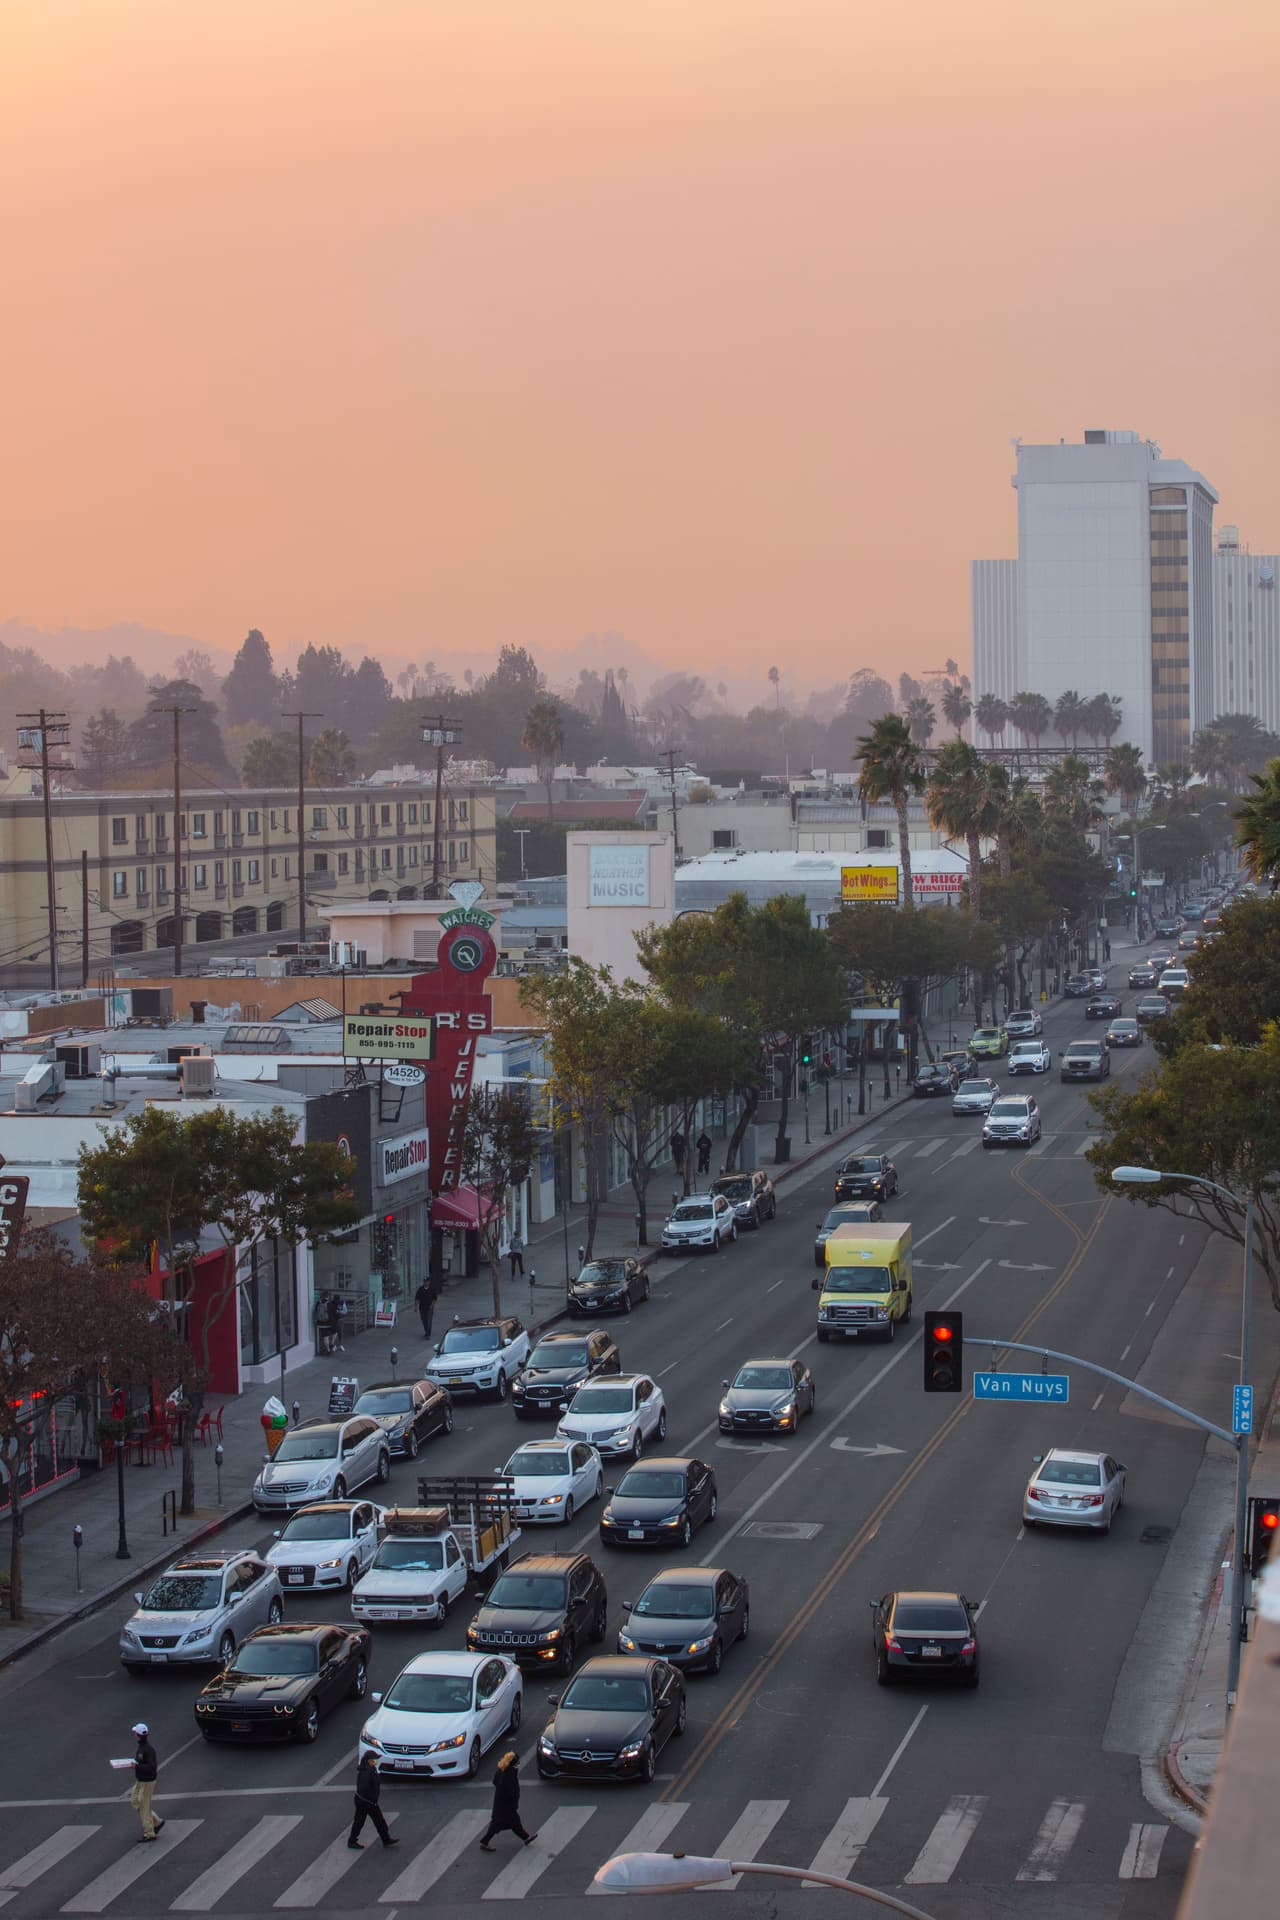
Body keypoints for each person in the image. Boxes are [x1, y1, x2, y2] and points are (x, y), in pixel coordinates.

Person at [478, 1751, 536, 1851]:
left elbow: (495, 1782)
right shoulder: (510, 1775)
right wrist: (514, 1801)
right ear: (513, 1763)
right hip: (507, 1805)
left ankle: (526, 1838)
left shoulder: (501, 1770)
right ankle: (484, 1842)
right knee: (501, 1823)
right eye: (517, 1762)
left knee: (513, 1822)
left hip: (500, 1803)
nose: (518, 1764)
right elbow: (513, 1792)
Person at [348, 1751, 400, 1849]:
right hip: (365, 1802)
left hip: (370, 1802)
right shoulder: (367, 1772)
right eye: (374, 1760)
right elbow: (364, 1788)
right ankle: (352, 1841)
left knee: (379, 1821)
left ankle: (386, 1839)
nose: (376, 1761)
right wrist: (372, 1800)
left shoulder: (371, 1769)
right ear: (369, 1761)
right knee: (359, 1822)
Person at [130, 1722, 163, 1842]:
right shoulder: (143, 1748)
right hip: (141, 1781)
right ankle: (156, 1822)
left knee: (144, 1806)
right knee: (135, 1801)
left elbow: (151, 1767)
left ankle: (149, 1833)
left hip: (146, 1782)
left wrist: (137, 1766)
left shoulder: (147, 1750)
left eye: (135, 1733)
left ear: (137, 1735)